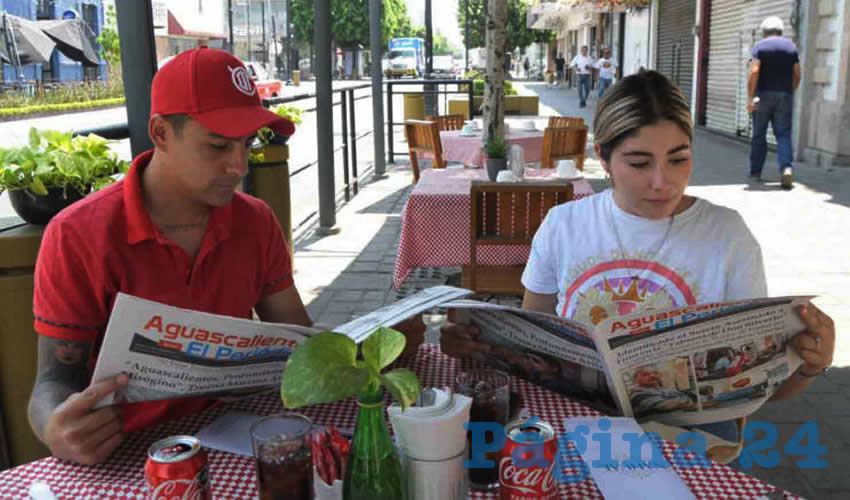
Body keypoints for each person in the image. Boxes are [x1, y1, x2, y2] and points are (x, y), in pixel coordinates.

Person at [27, 47, 425, 465]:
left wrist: (376, 344)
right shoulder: (78, 234)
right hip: (130, 455)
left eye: (246, 143)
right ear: (161, 133)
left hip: (239, 437)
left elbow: (299, 343)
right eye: (217, 146)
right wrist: (57, 426)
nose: (238, 165)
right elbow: (53, 381)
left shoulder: (255, 221)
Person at [441, 70, 835, 443]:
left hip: (689, 440)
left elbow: (761, 385)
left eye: (678, 159)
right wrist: (479, 348)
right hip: (579, 425)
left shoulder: (727, 235)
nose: (663, 182)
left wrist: (813, 364)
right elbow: (531, 347)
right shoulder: (563, 225)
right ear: (604, 158)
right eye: (639, 163)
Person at [747, 16, 800, 189]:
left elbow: (754, 71)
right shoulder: (791, 47)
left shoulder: (760, 47)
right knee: (783, 134)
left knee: (759, 134)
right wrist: (790, 89)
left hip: (762, 95)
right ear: (781, 31)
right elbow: (797, 73)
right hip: (784, 95)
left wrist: (750, 97)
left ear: (764, 32)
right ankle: (786, 168)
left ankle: (756, 173)